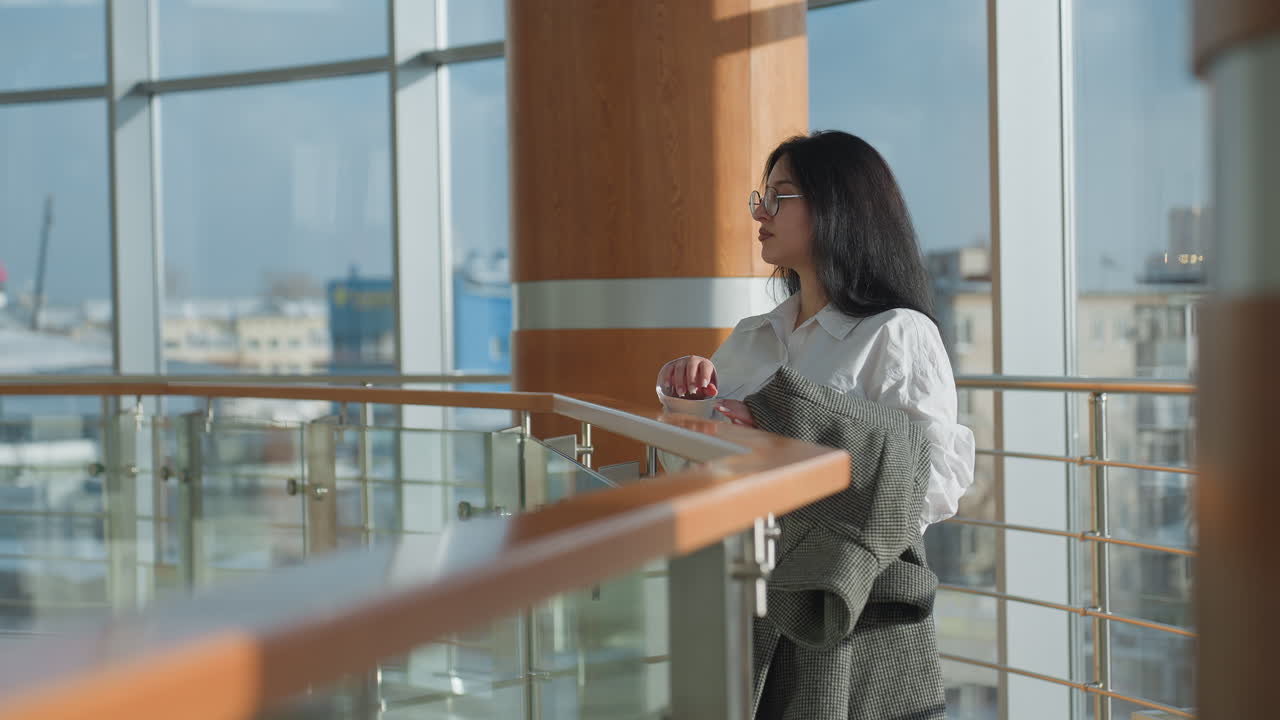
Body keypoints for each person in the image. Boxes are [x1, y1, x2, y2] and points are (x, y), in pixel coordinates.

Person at [656, 130, 975, 533]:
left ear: (837, 208)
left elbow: (935, 486)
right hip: (735, 573)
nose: (760, 213)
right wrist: (687, 406)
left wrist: (789, 436)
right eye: (762, 197)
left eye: (779, 197)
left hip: (831, 587)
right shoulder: (752, 335)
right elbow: (687, 472)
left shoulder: (897, 333)